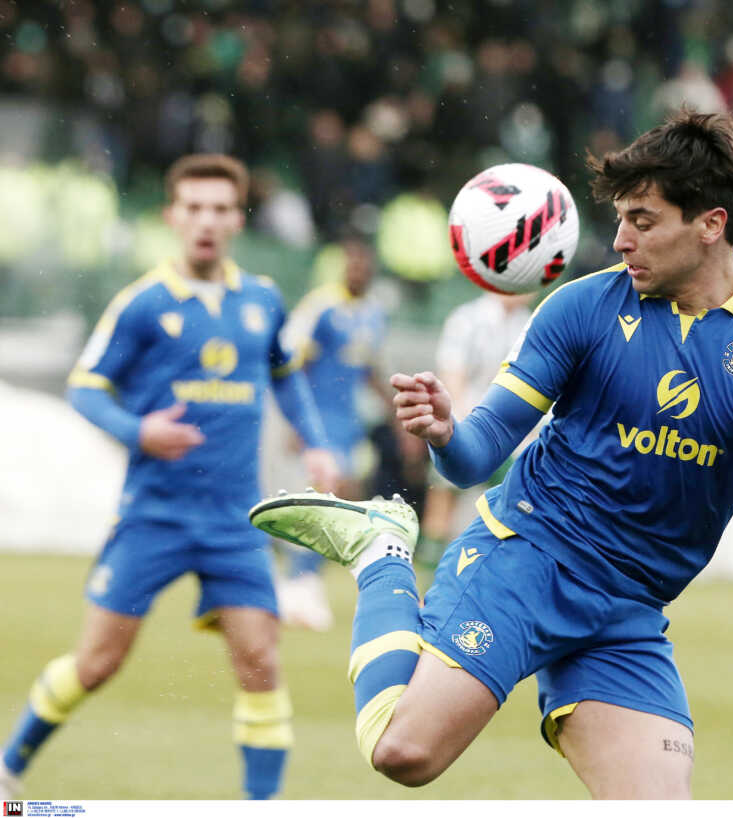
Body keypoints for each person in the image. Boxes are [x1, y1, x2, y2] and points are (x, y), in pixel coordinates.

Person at [248, 111, 733, 799]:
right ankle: (381, 554)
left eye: (642, 221)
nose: (621, 239)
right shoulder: (581, 309)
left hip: (630, 608)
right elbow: (475, 455)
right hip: (528, 560)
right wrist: (447, 432)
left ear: (710, 224)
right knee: (404, 753)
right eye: (621, 219)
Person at [0, 154, 339, 801]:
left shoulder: (262, 299)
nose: (207, 221)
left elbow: (286, 374)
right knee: (97, 662)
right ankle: (8, 766)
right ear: (172, 217)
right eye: (195, 208)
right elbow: (85, 386)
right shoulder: (143, 304)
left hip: (236, 521)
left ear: (237, 219)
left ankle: (261, 809)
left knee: (261, 662)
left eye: (220, 209)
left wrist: (317, 444)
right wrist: (139, 431)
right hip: (154, 514)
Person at [273, 233, 393, 631]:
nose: (358, 271)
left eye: (364, 264)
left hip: (350, 424)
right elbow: (293, 363)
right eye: (351, 263)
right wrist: (296, 422)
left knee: (345, 500)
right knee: (330, 494)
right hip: (319, 420)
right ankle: (298, 582)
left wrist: (395, 411)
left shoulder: (374, 314)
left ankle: (302, 579)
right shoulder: (321, 307)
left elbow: (370, 369)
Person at [419, 290, 535, 564]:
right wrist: (464, 423)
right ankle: (429, 575)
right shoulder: (467, 318)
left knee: (510, 508)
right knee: (442, 502)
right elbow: (452, 373)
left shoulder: (530, 322)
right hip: (466, 423)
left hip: (511, 436)